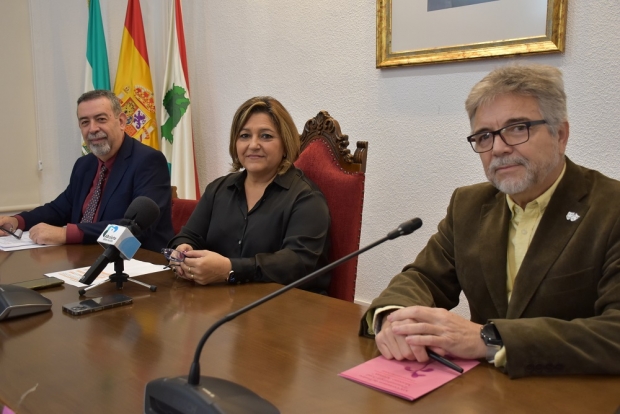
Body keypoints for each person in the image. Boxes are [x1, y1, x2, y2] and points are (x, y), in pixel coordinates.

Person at [360, 64, 620, 378]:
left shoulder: (610, 209)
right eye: (484, 136)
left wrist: (490, 339)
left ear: (560, 134)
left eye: (517, 128)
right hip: (481, 393)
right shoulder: (468, 205)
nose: (498, 147)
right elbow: (424, 278)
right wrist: (394, 317)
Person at [167, 96, 330, 293]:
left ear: (285, 144)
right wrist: (183, 249)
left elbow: (296, 263)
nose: (253, 145)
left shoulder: (306, 198)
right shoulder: (218, 189)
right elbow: (188, 235)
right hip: (219, 303)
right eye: (244, 136)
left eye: (266, 136)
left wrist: (230, 269)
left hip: (284, 309)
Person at [0, 90, 173, 252]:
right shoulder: (85, 164)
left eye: (101, 119)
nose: (93, 129)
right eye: (85, 122)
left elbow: (137, 228)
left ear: (121, 122)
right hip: (85, 258)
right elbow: (60, 209)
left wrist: (65, 234)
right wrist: (18, 221)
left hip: (139, 263)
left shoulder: (148, 161)